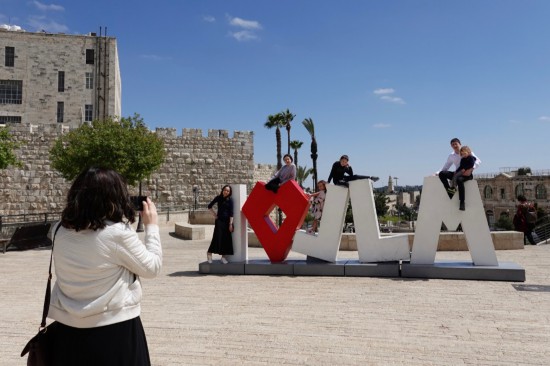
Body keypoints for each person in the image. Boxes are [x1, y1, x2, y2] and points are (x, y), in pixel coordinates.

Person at [48, 167, 162, 366]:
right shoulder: (116, 233)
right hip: (115, 329)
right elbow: (152, 268)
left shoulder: (57, 230)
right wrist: (151, 226)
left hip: (67, 330)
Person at [207, 185, 234, 264]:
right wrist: (215, 215)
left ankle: (223, 257)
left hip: (227, 222)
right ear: (222, 190)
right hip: (219, 222)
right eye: (225, 190)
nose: (226, 192)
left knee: (226, 240)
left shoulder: (230, 200)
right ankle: (209, 253)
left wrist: (230, 224)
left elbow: (231, 213)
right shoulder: (218, 198)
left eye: (228, 191)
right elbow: (209, 206)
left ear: (230, 192)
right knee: (217, 238)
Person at [452, 145, 477, 211]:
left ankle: (462, 201)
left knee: (459, 180)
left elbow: (471, 165)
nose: (464, 155)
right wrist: (456, 171)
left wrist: (465, 169)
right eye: (462, 154)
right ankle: (453, 188)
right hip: (462, 174)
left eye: (464, 153)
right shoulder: (462, 159)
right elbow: (460, 167)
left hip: (468, 176)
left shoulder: (471, 158)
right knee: (455, 177)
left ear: (468, 152)